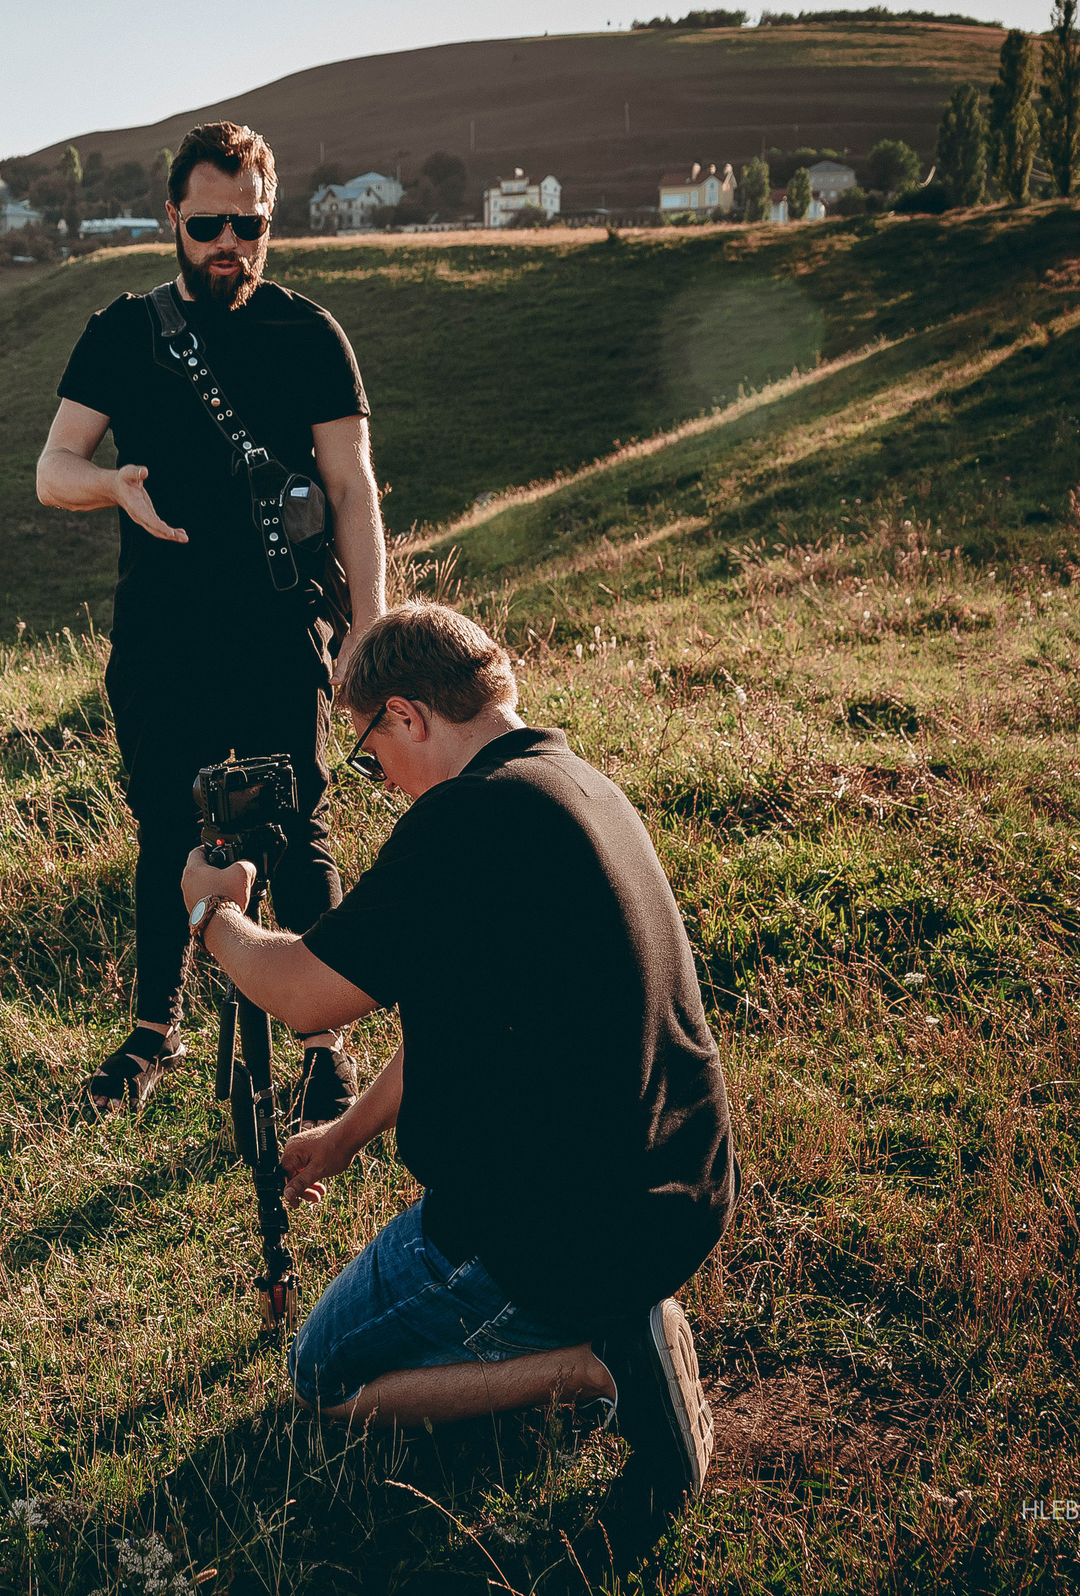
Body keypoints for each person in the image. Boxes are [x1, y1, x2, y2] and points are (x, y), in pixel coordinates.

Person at [179, 601, 737, 1503]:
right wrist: (345, 1135)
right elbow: (465, 1018)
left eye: (370, 753)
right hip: (681, 1182)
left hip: (563, 1231)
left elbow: (304, 992)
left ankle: (603, 1360)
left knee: (322, 1376)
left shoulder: (465, 822)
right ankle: (605, 1321)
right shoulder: (576, 781)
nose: (382, 776)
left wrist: (215, 915)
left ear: (406, 714)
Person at [35, 120, 386, 1123]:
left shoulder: (310, 334)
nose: (228, 242)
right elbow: (51, 468)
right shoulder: (123, 330)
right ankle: (154, 1036)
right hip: (160, 634)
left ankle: (324, 1047)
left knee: (298, 832)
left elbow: (351, 492)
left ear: (269, 217)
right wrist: (111, 486)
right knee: (161, 831)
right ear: (173, 219)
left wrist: (368, 629)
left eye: (248, 222)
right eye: (208, 223)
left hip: (281, 629)